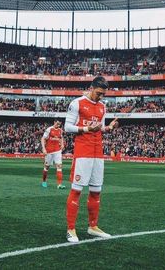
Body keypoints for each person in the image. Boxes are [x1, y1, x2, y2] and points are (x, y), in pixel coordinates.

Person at [64, 76, 118, 242]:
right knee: (77, 190)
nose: (100, 96)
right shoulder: (77, 103)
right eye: (98, 93)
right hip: (83, 152)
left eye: (103, 94)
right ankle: (71, 229)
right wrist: (87, 128)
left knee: (96, 191)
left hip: (98, 153)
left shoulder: (102, 106)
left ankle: (92, 226)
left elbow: (99, 127)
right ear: (91, 87)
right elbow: (68, 127)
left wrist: (108, 127)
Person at [41, 120, 65, 189]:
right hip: (49, 151)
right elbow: (43, 139)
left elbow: (61, 137)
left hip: (57, 151)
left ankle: (59, 184)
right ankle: (44, 181)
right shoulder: (49, 129)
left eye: (59, 124)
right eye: (57, 124)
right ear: (54, 122)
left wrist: (62, 144)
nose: (58, 125)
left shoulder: (60, 130)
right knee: (46, 167)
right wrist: (44, 148)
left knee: (59, 166)